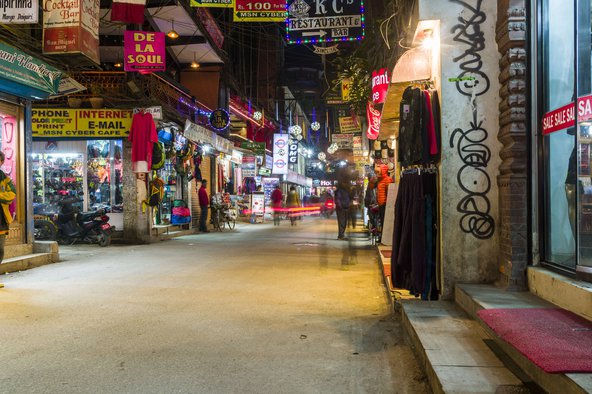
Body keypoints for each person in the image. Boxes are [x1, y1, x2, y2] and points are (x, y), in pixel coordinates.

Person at [0, 151, 16, 289]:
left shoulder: (5, 178)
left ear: (1, 162)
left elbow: (12, 194)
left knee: (0, 250)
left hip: (2, 219)